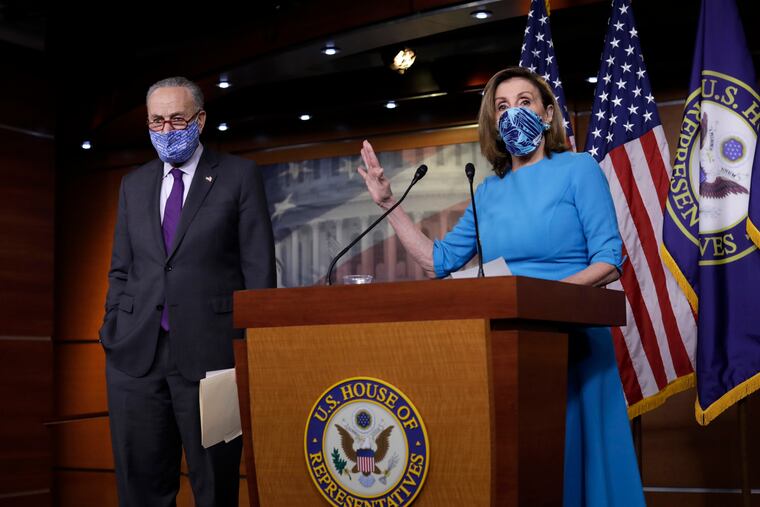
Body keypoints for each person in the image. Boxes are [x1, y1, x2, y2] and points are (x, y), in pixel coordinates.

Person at [357, 66, 645, 506]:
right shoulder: (488, 191)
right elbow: (438, 262)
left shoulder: (577, 169)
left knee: (573, 471)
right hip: (511, 344)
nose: (513, 115)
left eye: (525, 102)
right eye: (502, 107)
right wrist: (388, 203)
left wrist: (543, 300)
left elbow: (609, 261)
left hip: (571, 342)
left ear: (548, 115)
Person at [99, 76, 276, 506]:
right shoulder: (134, 184)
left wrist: (249, 351)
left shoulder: (237, 175)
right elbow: (122, 268)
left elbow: (259, 271)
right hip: (135, 357)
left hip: (211, 360)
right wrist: (112, 328)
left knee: (214, 490)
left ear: (200, 120)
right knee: (140, 490)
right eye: (156, 121)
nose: (166, 130)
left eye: (176, 119)